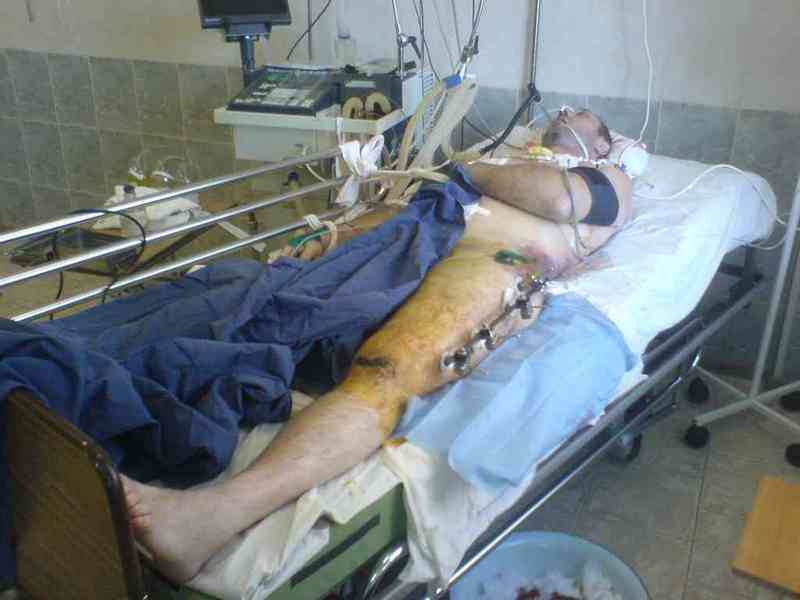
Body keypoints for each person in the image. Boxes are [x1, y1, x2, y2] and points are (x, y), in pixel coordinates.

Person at [123, 108, 633, 583]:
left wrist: (469, 171)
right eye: (563, 110)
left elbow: (559, 203)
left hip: (496, 257)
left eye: (581, 114)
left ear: (603, 143)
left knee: (389, 370)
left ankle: (210, 519)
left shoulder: (605, 176)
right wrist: (328, 240)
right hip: (410, 234)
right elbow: (395, 210)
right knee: (257, 305)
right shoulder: (505, 157)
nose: (563, 113)